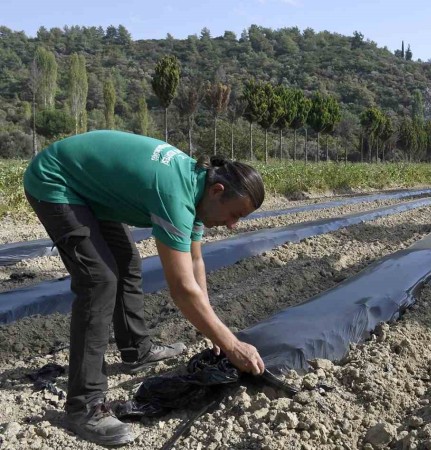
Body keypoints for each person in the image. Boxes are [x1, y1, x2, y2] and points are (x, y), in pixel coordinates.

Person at [23, 130, 267, 446]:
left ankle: (136, 349)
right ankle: (83, 407)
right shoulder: (176, 197)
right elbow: (181, 288)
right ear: (218, 190)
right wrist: (232, 345)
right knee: (99, 280)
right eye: (235, 215)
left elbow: (195, 262)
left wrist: (215, 333)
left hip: (91, 188)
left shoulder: (198, 188)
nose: (234, 225)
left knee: (127, 263)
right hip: (56, 181)